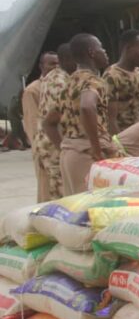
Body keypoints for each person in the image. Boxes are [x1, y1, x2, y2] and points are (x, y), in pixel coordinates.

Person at [51, 34, 115, 195]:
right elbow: (87, 107)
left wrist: (65, 147)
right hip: (87, 154)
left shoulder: (69, 83)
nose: (105, 52)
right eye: (101, 48)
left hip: (69, 154)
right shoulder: (92, 81)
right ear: (92, 52)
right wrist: (96, 149)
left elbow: (48, 123)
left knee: (76, 211)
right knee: (93, 209)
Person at [36, 44, 76, 201]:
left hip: (49, 142)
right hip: (54, 143)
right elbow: (53, 119)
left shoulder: (53, 77)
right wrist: (63, 149)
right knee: (61, 192)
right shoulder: (60, 81)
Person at [103, 29, 139, 134]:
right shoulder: (111, 76)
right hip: (124, 138)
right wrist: (119, 146)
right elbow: (110, 120)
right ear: (128, 48)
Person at [22, 51, 59, 147]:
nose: (57, 67)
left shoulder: (65, 86)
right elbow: (32, 121)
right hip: (46, 146)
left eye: (59, 64)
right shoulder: (33, 90)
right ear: (41, 66)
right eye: (52, 64)